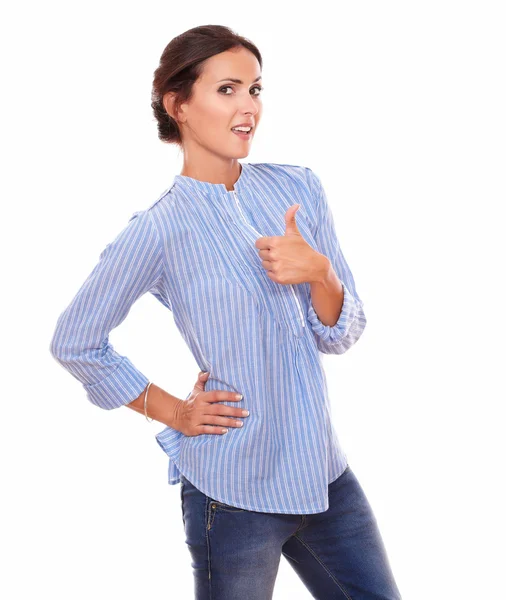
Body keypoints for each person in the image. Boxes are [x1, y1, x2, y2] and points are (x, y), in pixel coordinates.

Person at [49, 24, 402, 600]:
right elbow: (75, 341)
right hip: (232, 492)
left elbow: (340, 335)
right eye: (228, 89)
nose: (248, 108)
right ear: (179, 105)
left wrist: (320, 272)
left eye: (255, 90)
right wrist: (175, 413)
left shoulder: (297, 189)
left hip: (325, 477)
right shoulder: (160, 228)